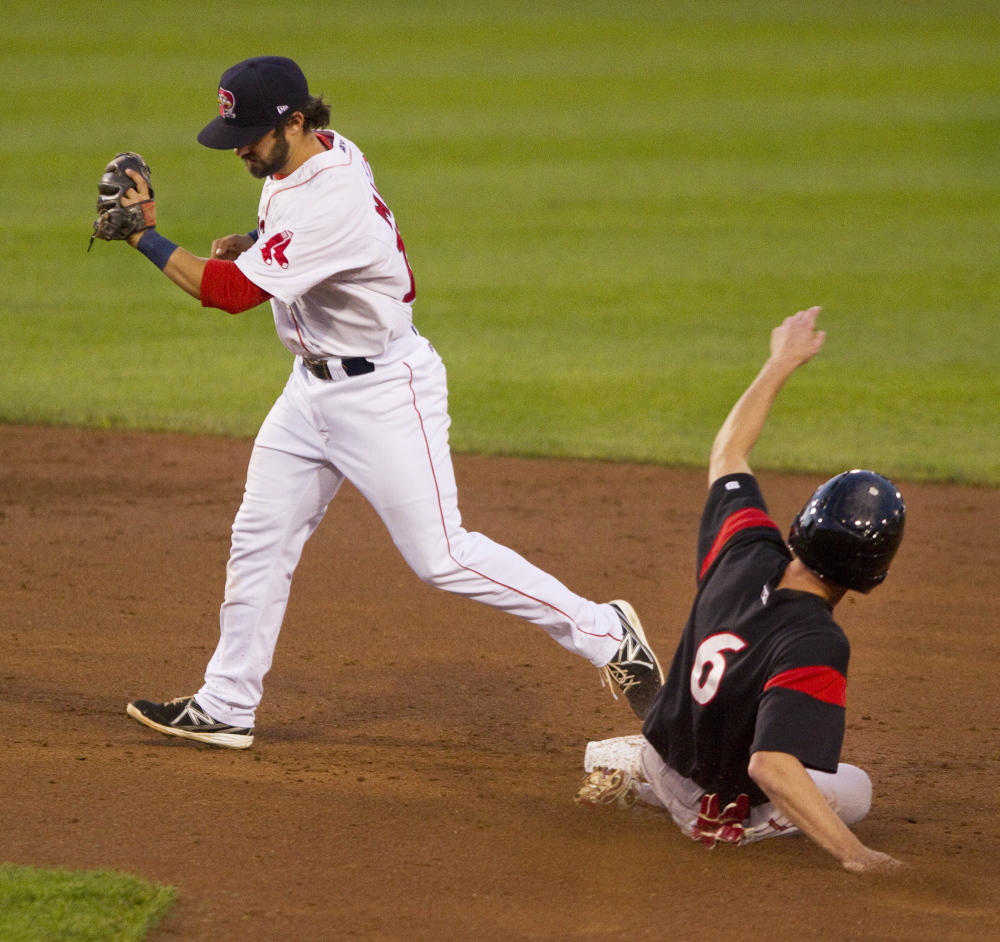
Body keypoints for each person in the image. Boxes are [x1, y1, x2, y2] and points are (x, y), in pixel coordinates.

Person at [113, 56, 662, 750]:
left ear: (297, 121)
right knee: (260, 538)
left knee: (442, 556)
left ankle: (606, 633)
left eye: (252, 134)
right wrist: (257, 244)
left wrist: (141, 235)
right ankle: (226, 702)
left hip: (382, 394)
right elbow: (311, 248)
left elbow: (228, 294)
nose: (242, 148)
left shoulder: (329, 193)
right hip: (308, 392)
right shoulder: (310, 159)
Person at [575, 307, 906, 874]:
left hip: (665, 754)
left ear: (801, 527)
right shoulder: (817, 641)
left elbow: (728, 453)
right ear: (871, 574)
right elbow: (771, 767)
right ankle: (711, 821)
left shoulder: (745, 550)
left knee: (707, 736)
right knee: (857, 790)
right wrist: (858, 857)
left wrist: (780, 362)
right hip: (714, 804)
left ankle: (637, 765)